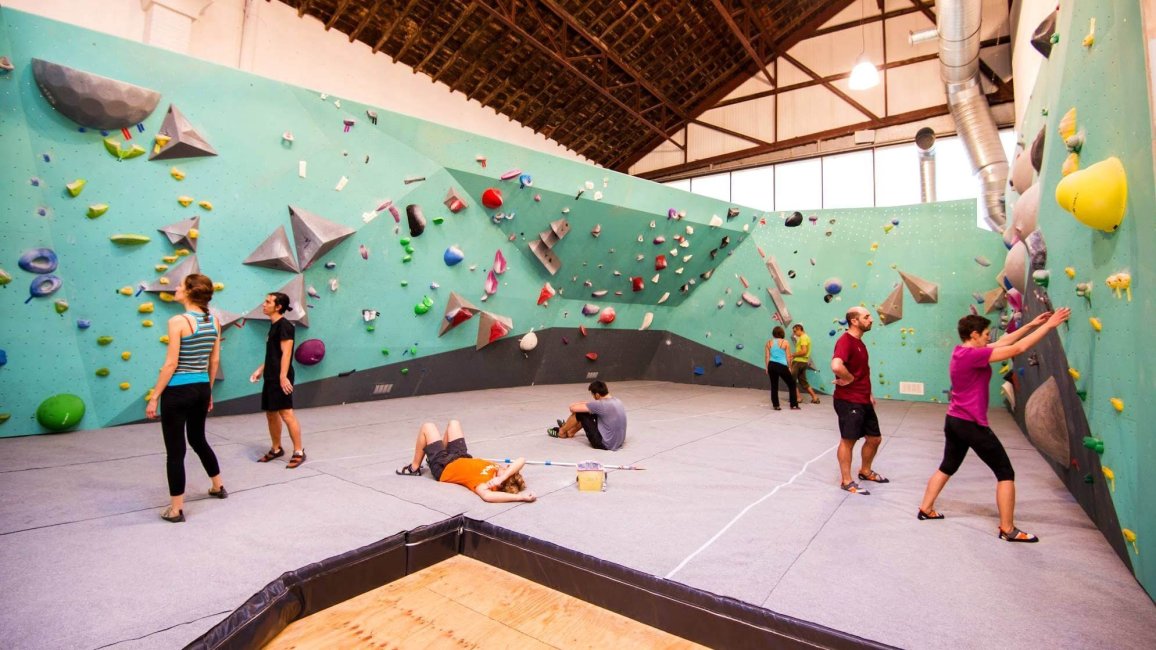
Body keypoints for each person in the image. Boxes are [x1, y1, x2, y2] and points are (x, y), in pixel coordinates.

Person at [917, 308, 1071, 543]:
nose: (990, 337)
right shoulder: (974, 356)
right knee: (1005, 473)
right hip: (971, 425)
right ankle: (1008, 529)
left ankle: (925, 509)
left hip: (955, 420)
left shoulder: (963, 351)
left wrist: (1031, 325)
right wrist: (1050, 326)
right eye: (987, 334)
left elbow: (1006, 341)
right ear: (975, 334)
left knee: (948, 466)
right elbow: (1017, 349)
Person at [145, 273, 226, 523]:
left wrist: (154, 396)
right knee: (198, 439)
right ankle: (217, 486)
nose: (176, 289)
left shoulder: (178, 321)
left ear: (190, 292)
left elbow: (170, 364)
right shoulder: (214, 321)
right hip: (201, 387)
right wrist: (209, 391)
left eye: (180, 286)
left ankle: (176, 509)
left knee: (175, 451)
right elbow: (214, 361)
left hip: (178, 391)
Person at [395, 420, 536, 503]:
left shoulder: (485, 485)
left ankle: (414, 468)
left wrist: (521, 497)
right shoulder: (499, 472)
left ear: (503, 481)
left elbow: (488, 497)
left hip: (444, 467)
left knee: (428, 426)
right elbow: (522, 460)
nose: (508, 466)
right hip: (461, 456)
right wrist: (503, 476)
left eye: (508, 469)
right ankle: (436, 451)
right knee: (453, 423)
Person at [831, 306, 886, 495]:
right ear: (854, 321)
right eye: (867, 317)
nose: (871, 319)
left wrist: (868, 393)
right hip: (848, 400)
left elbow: (861, 372)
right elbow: (837, 365)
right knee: (849, 440)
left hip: (862, 398)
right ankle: (846, 481)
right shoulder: (845, 341)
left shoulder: (860, 343)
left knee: (875, 438)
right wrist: (847, 379)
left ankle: (865, 471)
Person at [249, 292, 306, 469]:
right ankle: (276, 448)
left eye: (267, 302)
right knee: (271, 413)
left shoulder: (285, 326)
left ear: (278, 306)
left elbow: (286, 354)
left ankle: (298, 452)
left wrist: (283, 377)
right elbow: (273, 354)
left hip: (281, 376)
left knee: (286, 413)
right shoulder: (273, 326)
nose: (264, 305)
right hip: (271, 376)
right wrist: (260, 369)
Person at [546, 380, 627, 450]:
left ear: (597, 394)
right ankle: (570, 431)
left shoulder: (600, 405)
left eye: (593, 395)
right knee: (590, 411)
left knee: (581, 413)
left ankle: (561, 432)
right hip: (618, 442)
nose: (593, 397)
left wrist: (585, 403)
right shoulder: (617, 401)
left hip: (604, 444)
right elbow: (593, 406)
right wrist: (590, 404)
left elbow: (572, 408)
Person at [764, 326, 799, 410]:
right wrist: (790, 367)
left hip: (771, 365)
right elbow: (788, 357)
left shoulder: (768, 343)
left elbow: (767, 357)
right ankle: (793, 404)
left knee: (774, 385)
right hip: (782, 366)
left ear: (773, 333)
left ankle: (776, 405)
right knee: (792, 384)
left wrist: (767, 367)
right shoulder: (785, 342)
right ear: (782, 333)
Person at [791, 324, 820, 404]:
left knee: (791, 380)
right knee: (803, 381)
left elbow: (804, 351)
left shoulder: (803, 338)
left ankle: (798, 398)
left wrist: (793, 355)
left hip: (798, 362)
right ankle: (815, 397)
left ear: (799, 329)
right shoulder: (806, 337)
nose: (794, 333)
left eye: (795, 331)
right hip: (804, 362)